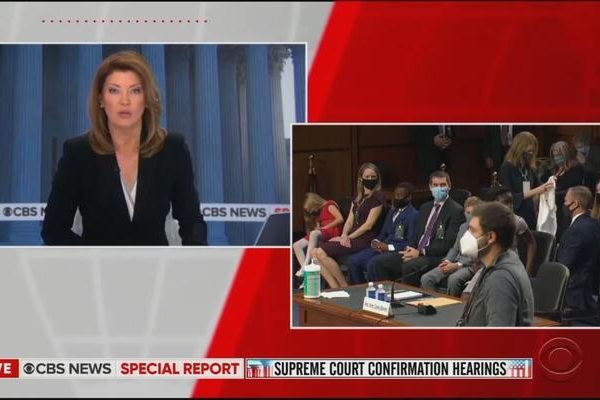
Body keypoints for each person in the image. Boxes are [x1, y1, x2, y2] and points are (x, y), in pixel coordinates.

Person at [42, 51, 207, 245]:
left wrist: (192, 259)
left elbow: (192, 223)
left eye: (135, 91)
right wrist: (96, 257)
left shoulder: (172, 149)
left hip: (155, 263)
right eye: (114, 90)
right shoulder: (78, 153)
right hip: (98, 263)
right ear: (100, 99)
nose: (125, 101)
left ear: (146, 99)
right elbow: (54, 229)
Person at [372, 171, 465, 286]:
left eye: (442, 185)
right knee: (379, 262)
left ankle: (409, 296)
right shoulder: (425, 207)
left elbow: (447, 243)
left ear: (449, 186)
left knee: (409, 266)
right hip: (416, 251)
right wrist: (410, 249)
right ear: (430, 187)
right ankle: (387, 293)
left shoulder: (456, 210)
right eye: (435, 185)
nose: (439, 188)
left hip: (434, 256)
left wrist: (420, 252)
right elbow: (417, 234)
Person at [457, 202, 535, 327]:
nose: (467, 236)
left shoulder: (501, 278)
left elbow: (498, 336)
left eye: (472, 230)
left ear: (491, 237)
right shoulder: (503, 260)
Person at [311, 162, 385, 288]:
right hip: (352, 236)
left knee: (321, 252)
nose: (370, 179)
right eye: (367, 177)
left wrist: (348, 237)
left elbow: (368, 225)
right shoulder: (358, 197)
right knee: (314, 252)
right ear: (361, 178)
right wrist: (343, 235)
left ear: (378, 178)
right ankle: (334, 287)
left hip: (365, 239)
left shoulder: (378, 196)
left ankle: (343, 286)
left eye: (373, 177)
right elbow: (349, 221)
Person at [347, 182, 418, 284]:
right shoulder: (392, 211)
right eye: (395, 195)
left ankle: (376, 291)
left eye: (399, 196)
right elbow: (383, 233)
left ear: (408, 198)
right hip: (382, 247)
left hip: (396, 251)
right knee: (353, 261)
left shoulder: (413, 215)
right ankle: (359, 289)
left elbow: (410, 243)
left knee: (373, 263)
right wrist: (376, 242)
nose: (396, 198)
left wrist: (388, 247)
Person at [420, 196, 482, 297]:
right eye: (468, 213)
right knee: (426, 278)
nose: (470, 216)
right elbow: (455, 248)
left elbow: (478, 255)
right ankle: (435, 303)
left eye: (473, 213)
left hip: (470, 265)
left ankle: (452, 305)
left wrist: (458, 265)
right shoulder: (463, 227)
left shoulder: (483, 229)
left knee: (453, 280)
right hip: (454, 261)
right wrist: (447, 260)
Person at [557, 186, 600, 325]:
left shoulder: (576, 230)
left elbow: (564, 266)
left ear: (575, 204)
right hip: (590, 294)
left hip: (575, 299)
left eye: (565, 201)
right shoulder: (593, 223)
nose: (564, 204)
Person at [499, 131, 553, 230]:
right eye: (528, 152)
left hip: (530, 212)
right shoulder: (507, 167)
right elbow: (509, 197)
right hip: (516, 215)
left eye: (533, 151)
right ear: (519, 149)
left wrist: (550, 183)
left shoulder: (528, 167)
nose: (531, 154)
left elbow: (539, 185)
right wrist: (536, 191)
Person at [485, 186, 537, 276]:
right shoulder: (486, 222)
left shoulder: (517, 221)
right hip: (490, 266)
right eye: (506, 203)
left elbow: (531, 243)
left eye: (511, 202)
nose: (510, 206)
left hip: (511, 266)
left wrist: (527, 271)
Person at [542, 141, 585, 240]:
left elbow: (571, 188)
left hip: (565, 205)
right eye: (554, 155)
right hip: (551, 204)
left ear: (566, 154)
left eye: (558, 155)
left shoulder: (576, 169)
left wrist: (553, 190)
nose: (556, 158)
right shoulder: (553, 170)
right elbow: (543, 181)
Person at [293, 192, 343, 277]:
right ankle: (306, 274)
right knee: (296, 245)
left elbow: (340, 219)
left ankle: (305, 265)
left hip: (333, 231)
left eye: (311, 208)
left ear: (315, 203)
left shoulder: (330, 205)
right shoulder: (321, 211)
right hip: (324, 231)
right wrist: (319, 227)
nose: (312, 211)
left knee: (314, 233)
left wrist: (324, 228)